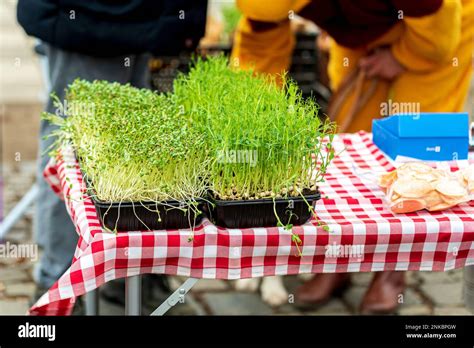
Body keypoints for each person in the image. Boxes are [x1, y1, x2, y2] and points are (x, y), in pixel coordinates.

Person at [231, 0, 473, 313]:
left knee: (413, 147)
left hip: (439, 33)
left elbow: (438, 40)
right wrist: (252, 124)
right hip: (359, 28)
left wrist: (402, 56)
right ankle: (340, 259)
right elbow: (260, 50)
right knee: (350, 148)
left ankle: (393, 271)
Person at [16, 0, 208, 304]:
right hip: (86, 19)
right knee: (71, 153)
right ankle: (58, 282)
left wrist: (179, 21)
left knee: (135, 149)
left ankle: (124, 274)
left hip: (139, 21)